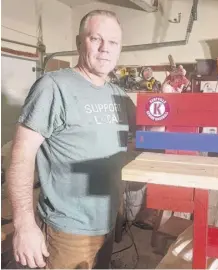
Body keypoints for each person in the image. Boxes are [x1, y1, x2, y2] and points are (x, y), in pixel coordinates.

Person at [6, 10, 135, 269]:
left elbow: (129, 147)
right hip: (68, 229)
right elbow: (21, 155)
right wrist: (24, 225)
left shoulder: (119, 96)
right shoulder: (53, 86)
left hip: (107, 223)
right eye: (96, 39)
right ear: (79, 43)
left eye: (113, 42)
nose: (104, 49)